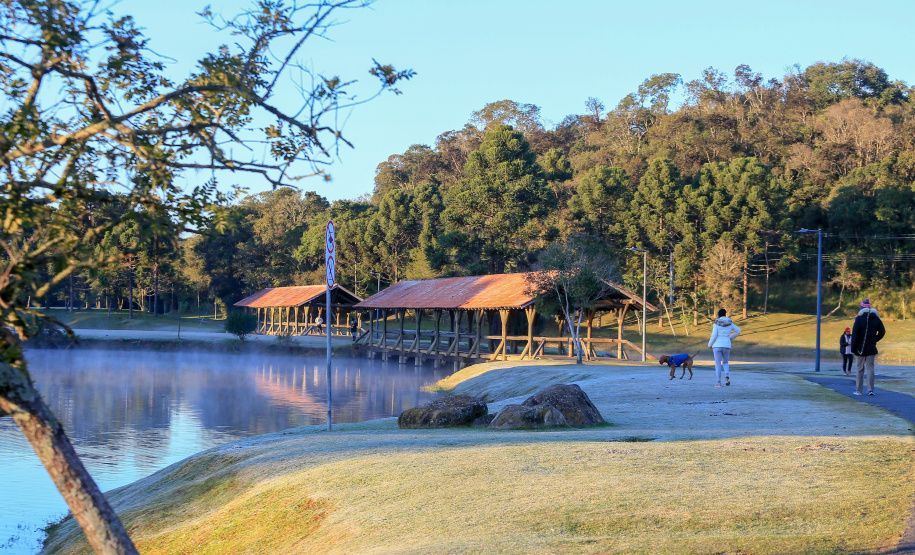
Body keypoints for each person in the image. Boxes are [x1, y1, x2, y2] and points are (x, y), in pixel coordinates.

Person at [851, 298, 886, 396]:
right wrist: (874, 339)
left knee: (859, 369)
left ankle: (858, 390)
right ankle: (871, 390)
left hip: (859, 348)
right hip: (871, 347)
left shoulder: (859, 318)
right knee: (870, 368)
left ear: (861, 308)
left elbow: (855, 335)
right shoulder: (876, 318)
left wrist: (853, 348)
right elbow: (882, 332)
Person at [708, 308, 741, 387]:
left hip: (717, 345)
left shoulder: (716, 323)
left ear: (718, 314)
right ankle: (726, 374)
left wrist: (710, 344)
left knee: (718, 363)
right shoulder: (730, 322)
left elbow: (714, 335)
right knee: (725, 362)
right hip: (726, 345)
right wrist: (731, 337)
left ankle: (718, 382)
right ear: (725, 314)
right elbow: (738, 331)